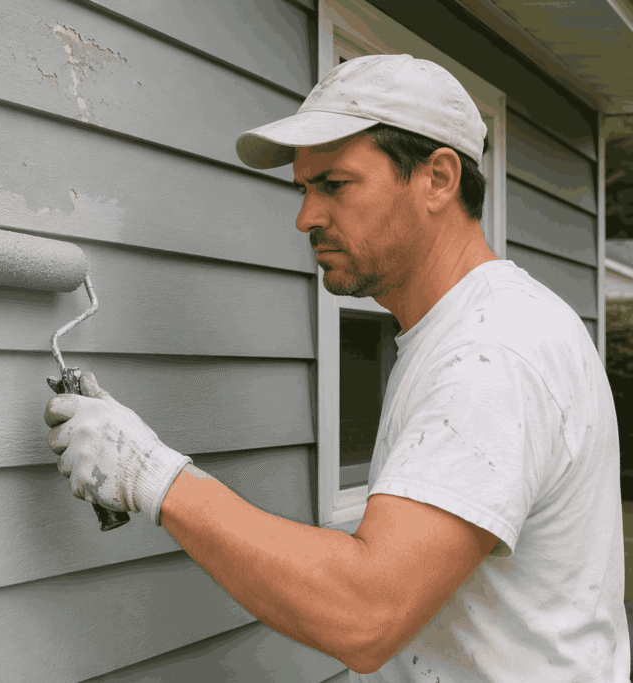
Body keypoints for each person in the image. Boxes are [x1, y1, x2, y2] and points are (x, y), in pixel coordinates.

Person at [44, 54, 629, 681]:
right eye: (305, 188)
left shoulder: (494, 354)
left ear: (437, 179)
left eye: (336, 184)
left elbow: (366, 613)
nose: (306, 217)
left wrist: (152, 475)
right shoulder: (467, 329)